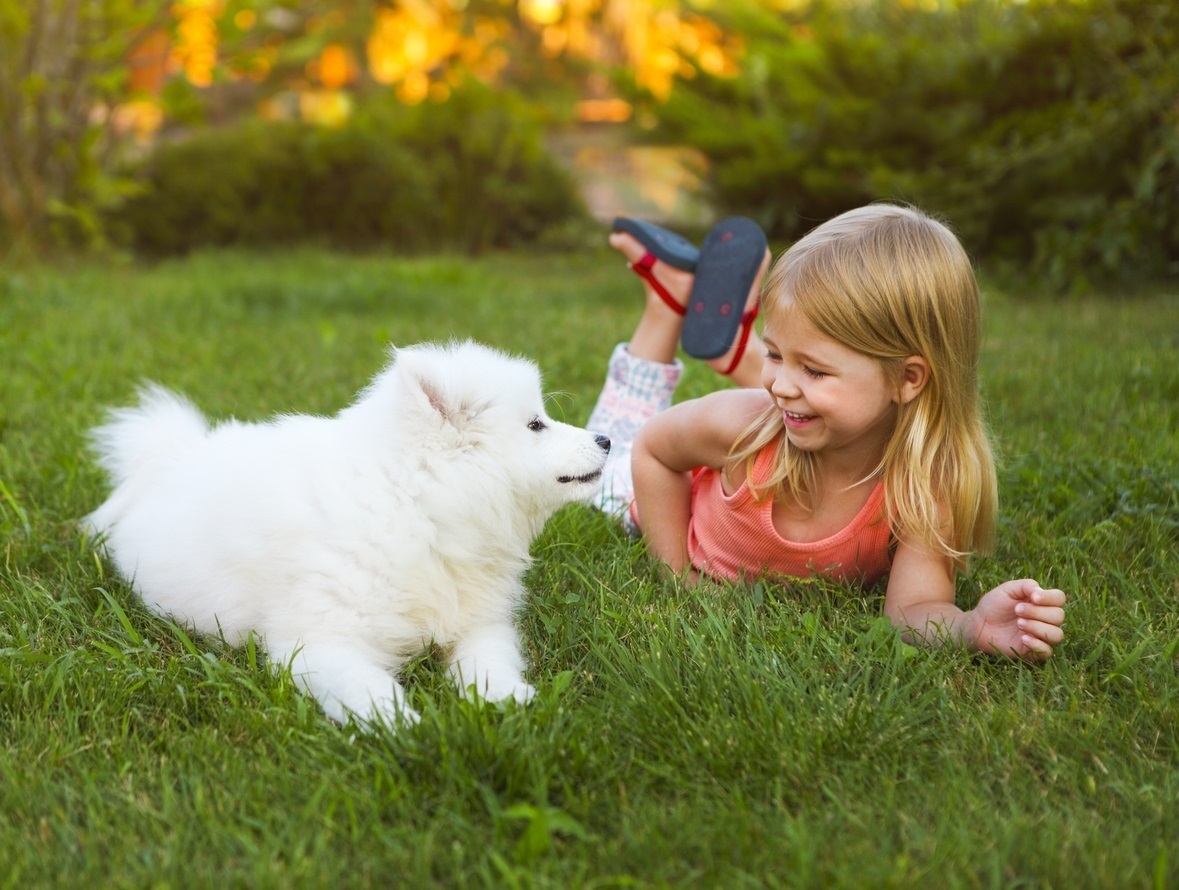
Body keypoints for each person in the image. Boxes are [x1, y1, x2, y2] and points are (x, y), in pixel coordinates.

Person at [588, 205, 1066, 661]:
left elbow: (910, 612)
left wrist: (970, 626)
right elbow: (651, 448)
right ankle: (667, 305)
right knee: (606, 453)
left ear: (907, 379)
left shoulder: (922, 486)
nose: (778, 383)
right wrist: (675, 575)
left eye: (814, 369)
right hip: (646, 494)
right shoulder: (743, 427)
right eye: (774, 355)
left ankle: (704, 319)